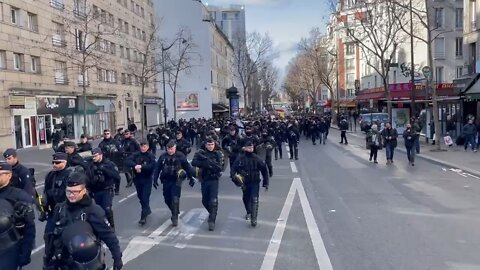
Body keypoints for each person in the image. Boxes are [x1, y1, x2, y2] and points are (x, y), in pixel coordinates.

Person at [44, 172, 123, 270]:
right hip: (64, 261)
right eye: (68, 191)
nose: (71, 195)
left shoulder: (93, 210)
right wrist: (48, 259)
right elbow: (51, 235)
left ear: (84, 190)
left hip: (86, 262)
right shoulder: (60, 208)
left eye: (75, 192)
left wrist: (117, 258)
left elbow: (109, 236)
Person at [0, 162, 36, 269]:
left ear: (9, 175)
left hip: (9, 248)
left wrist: (25, 252)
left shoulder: (19, 196)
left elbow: (30, 228)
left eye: (0, 174)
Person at [153, 140, 195, 227]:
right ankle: (174, 210)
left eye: (171, 149)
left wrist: (191, 178)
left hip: (176, 181)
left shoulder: (180, 156)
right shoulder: (163, 157)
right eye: (168, 149)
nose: (170, 150)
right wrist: (155, 179)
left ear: (175, 148)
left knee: (175, 199)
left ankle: (174, 216)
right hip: (166, 181)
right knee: (167, 199)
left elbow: (187, 167)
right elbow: (157, 168)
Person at [232, 140, 269, 227]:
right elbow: (234, 168)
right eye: (248, 147)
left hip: (255, 182)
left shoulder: (257, 158)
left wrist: (266, 183)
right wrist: (234, 177)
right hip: (245, 182)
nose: (250, 149)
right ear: (245, 148)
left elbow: (264, 170)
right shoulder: (240, 158)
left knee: (254, 199)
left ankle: (254, 219)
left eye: (251, 147)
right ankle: (248, 211)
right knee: (245, 198)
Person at [191, 139, 224, 231]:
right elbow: (193, 162)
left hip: (214, 180)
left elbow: (220, 167)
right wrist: (204, 164)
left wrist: (211, 165)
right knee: (205, 200)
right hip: (204, 179)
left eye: (212, 144)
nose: (210, 146)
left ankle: (212, 220)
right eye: (208, 144)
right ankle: (213, 213)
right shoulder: (202, 153)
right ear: (205, 145)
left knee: (213, 200)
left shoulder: (218, 154)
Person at [86, 148, 120, 229]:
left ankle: (111, 226)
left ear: (101, 155)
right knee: (99, 211)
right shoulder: (91, 165)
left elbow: (116, 176)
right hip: (96, 191)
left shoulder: (109, 164)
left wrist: (104, 169)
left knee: (107, 209)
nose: (94, 158)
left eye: (95, 156)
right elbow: (87, 178)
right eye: (93, 156)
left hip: (107, 190)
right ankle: (103, 227)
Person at [125, 140, 156, 225]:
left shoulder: (150, 156)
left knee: (145, 197)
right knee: (140, 197)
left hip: (147, 179)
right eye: (141, 146)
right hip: (138, 179)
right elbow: (128, 161)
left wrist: (142, 167)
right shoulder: (136, 154)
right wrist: (135, 166)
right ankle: (147, 208)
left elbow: (152, 166)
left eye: (145, 146)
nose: (143, 148)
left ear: (148, 147)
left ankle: (143, 217)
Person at [41, 153, 73, 223]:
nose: (54, 165)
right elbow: (45, 192)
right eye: (53, 162)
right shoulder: (50, 175)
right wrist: (44, 209)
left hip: (67, 210)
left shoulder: (70, 175)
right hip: (53, 210)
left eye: (57, 162)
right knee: (48, 232)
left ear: (65, 162)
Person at [99, 129, 123, 194]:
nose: (106, 135)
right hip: (107, 163)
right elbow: (99, 154)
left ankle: (117, 189)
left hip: (115, 162)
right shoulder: (101, 144)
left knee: (117, 177)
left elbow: (121, 151)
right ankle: (110, 188)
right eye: (105, 134)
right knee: (108, 176)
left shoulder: (116, 142)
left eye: (108, 133)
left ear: (110, 134)